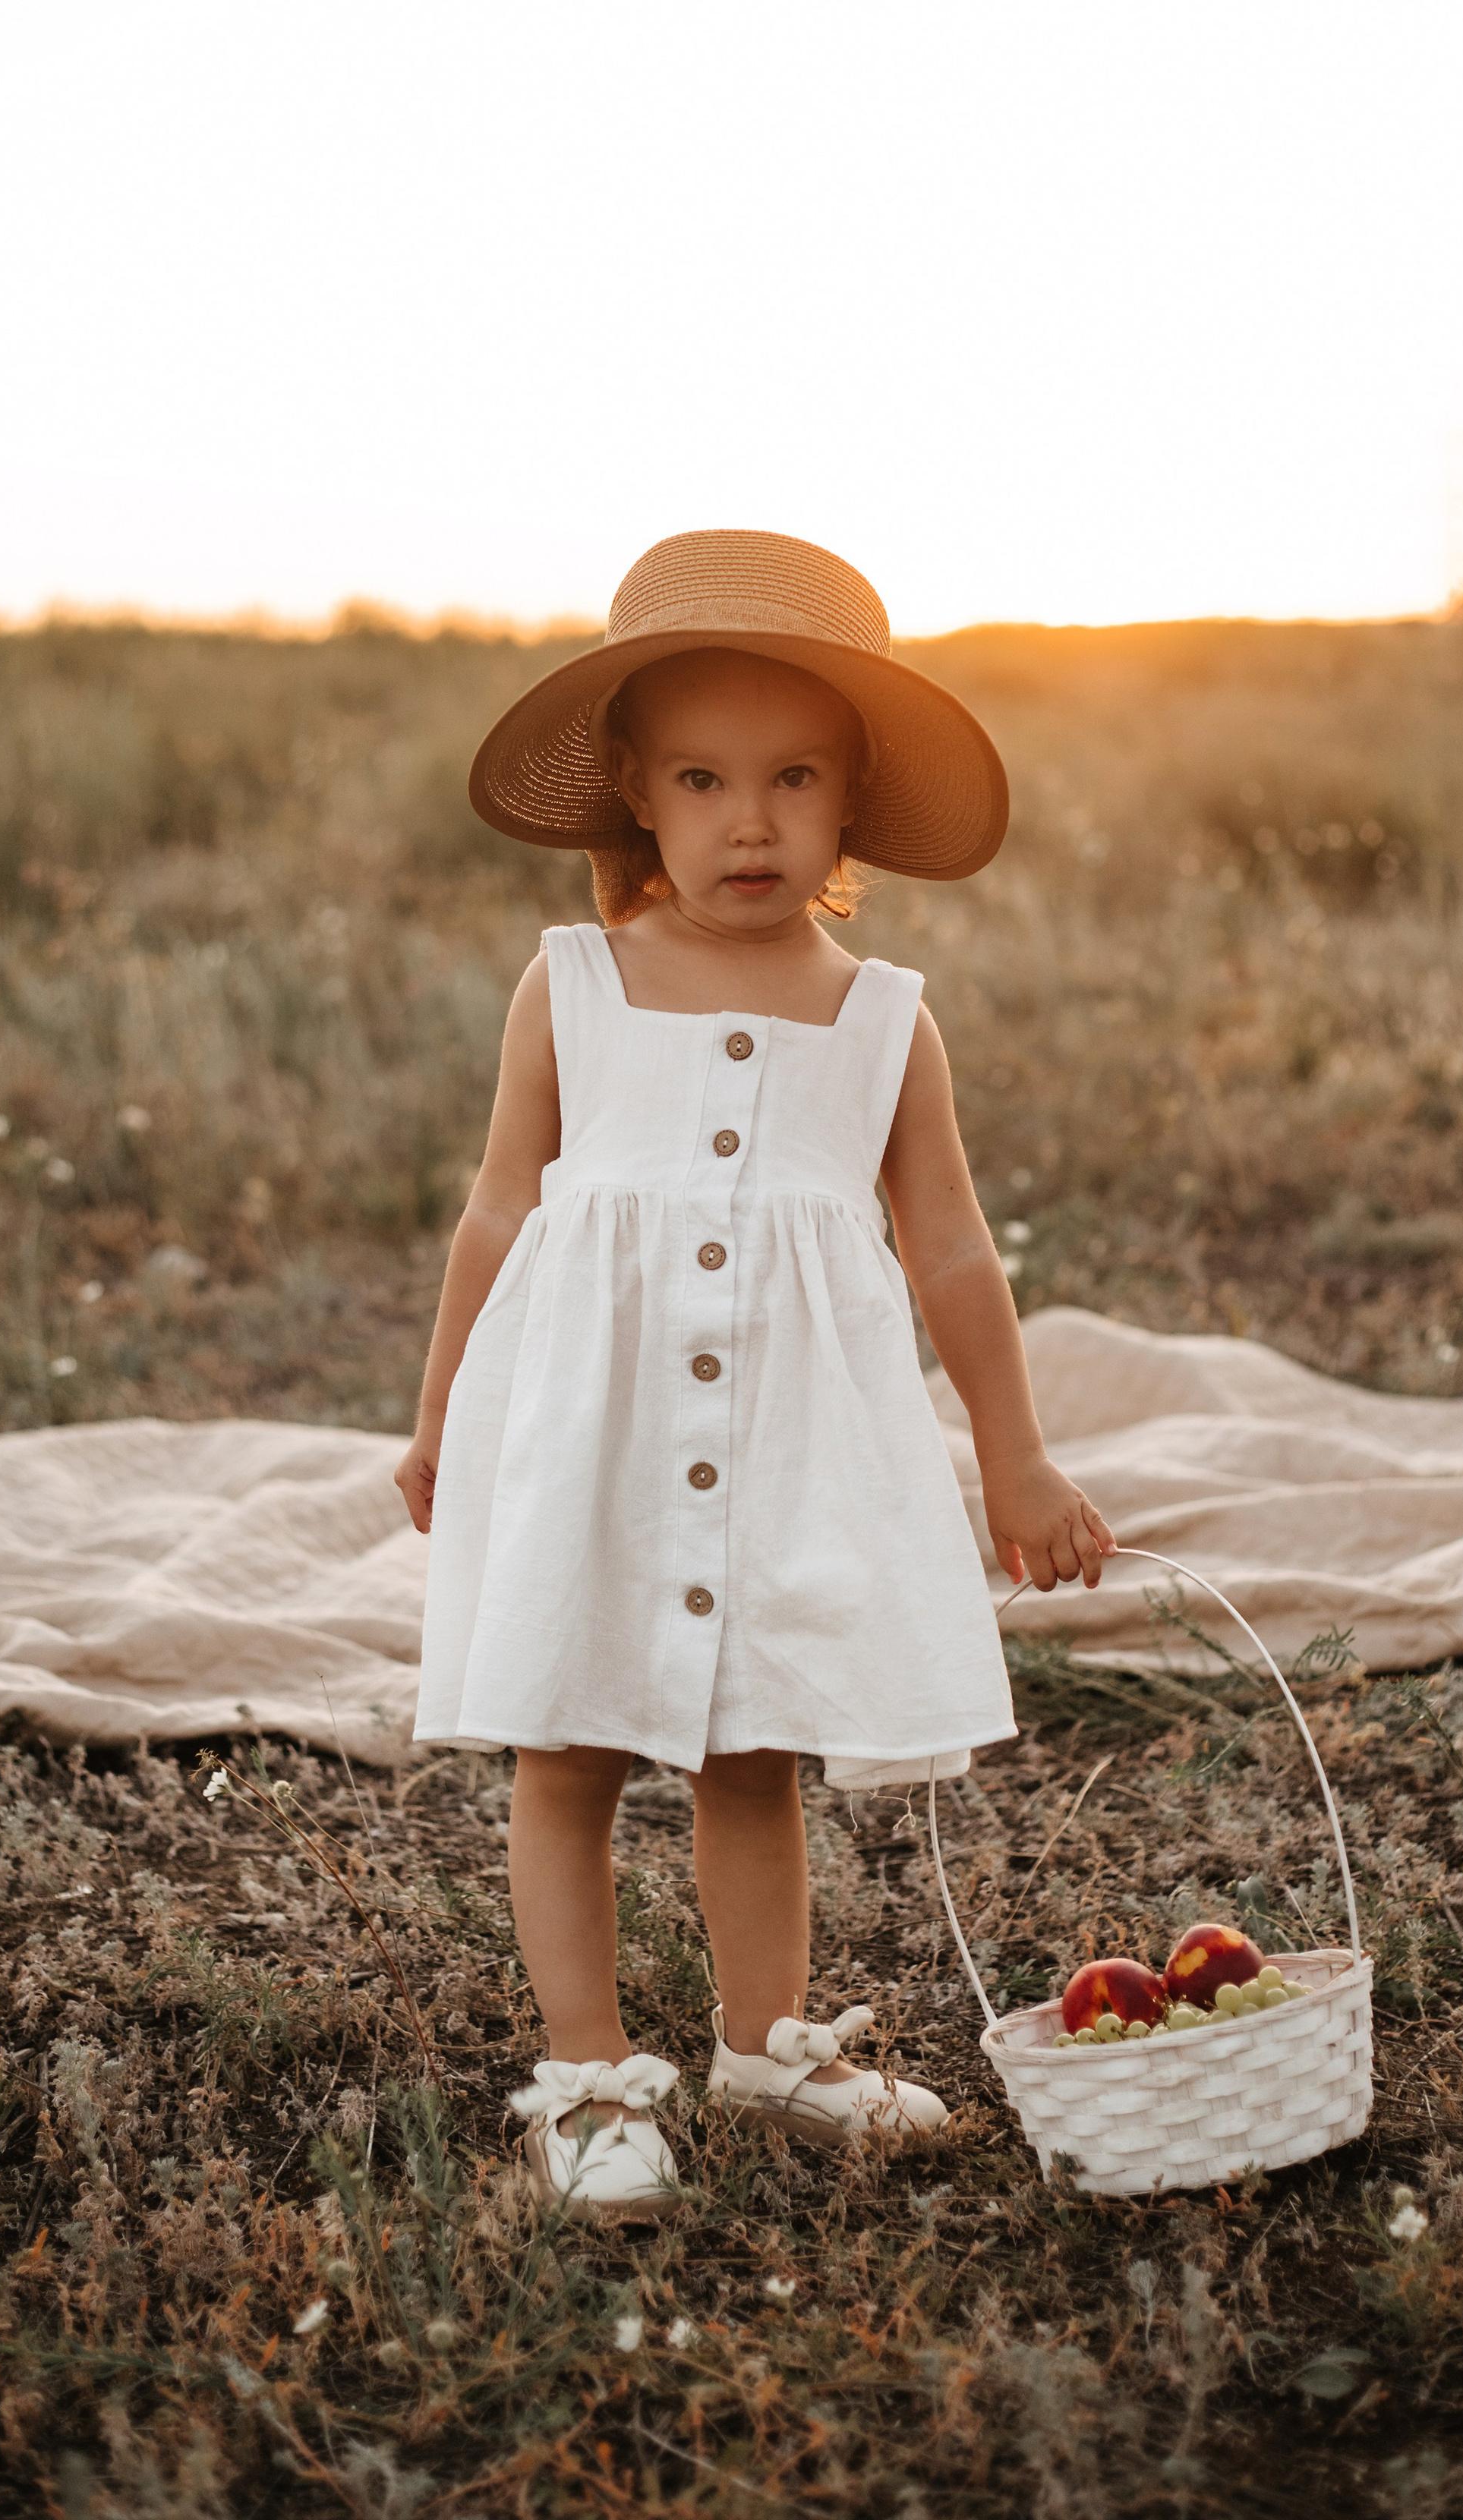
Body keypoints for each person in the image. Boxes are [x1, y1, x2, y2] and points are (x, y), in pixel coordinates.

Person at [397, 528, 1114, 2216]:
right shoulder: (570, 985)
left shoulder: (882, 1021)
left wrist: (1011, 1457)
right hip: (591, 1431)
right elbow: (497, 1211)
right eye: (705, 779)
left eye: (793, 778)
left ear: (849, 802)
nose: (748, 820)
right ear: (636, 798)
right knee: (562, 1747)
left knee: (754, 1753)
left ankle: (763, 2038)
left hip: (783, 1440)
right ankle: (584, 2079)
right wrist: (442, 1415)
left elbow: (949, 1250)